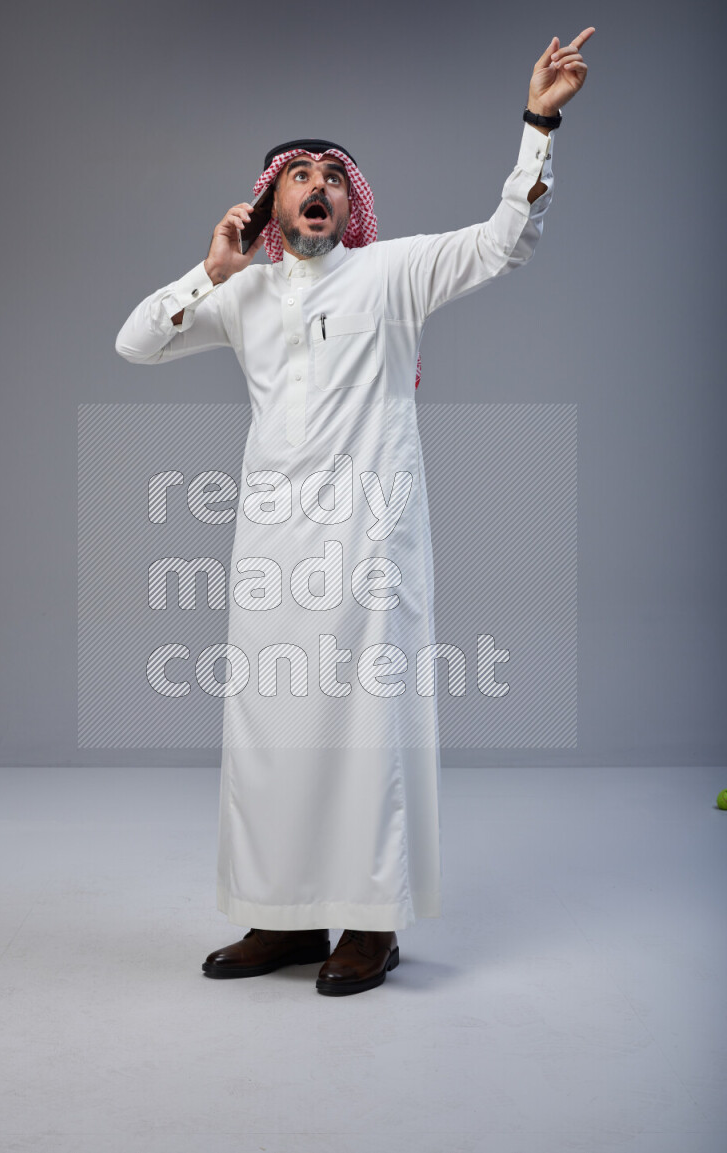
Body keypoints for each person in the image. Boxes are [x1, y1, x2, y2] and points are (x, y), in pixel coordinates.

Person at [115, 29, 594, 996]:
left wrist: (538, 123)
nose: (320, 185)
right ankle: (283, 921)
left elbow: (508, 241)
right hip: (270, 552)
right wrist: (207, 272)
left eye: (335, 173)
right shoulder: (241, 293)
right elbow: (134, 344)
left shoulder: (392, 273)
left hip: (370, 545)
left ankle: (370, 928)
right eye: (300, 175)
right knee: (269, 728)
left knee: (366, 729)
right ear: (270, 202)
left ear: (350, 203)